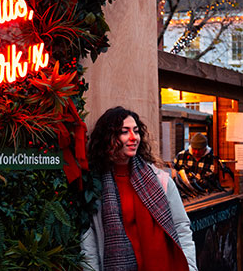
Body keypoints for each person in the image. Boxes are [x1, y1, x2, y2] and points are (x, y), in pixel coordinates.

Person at [82, 107, 197, 271]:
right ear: (107, 138)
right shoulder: (95, 187)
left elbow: (181, 227)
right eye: (124, 131)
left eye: (136, 131)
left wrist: (190, 267)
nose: (133, 137)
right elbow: (89, 243)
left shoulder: (160, 181)